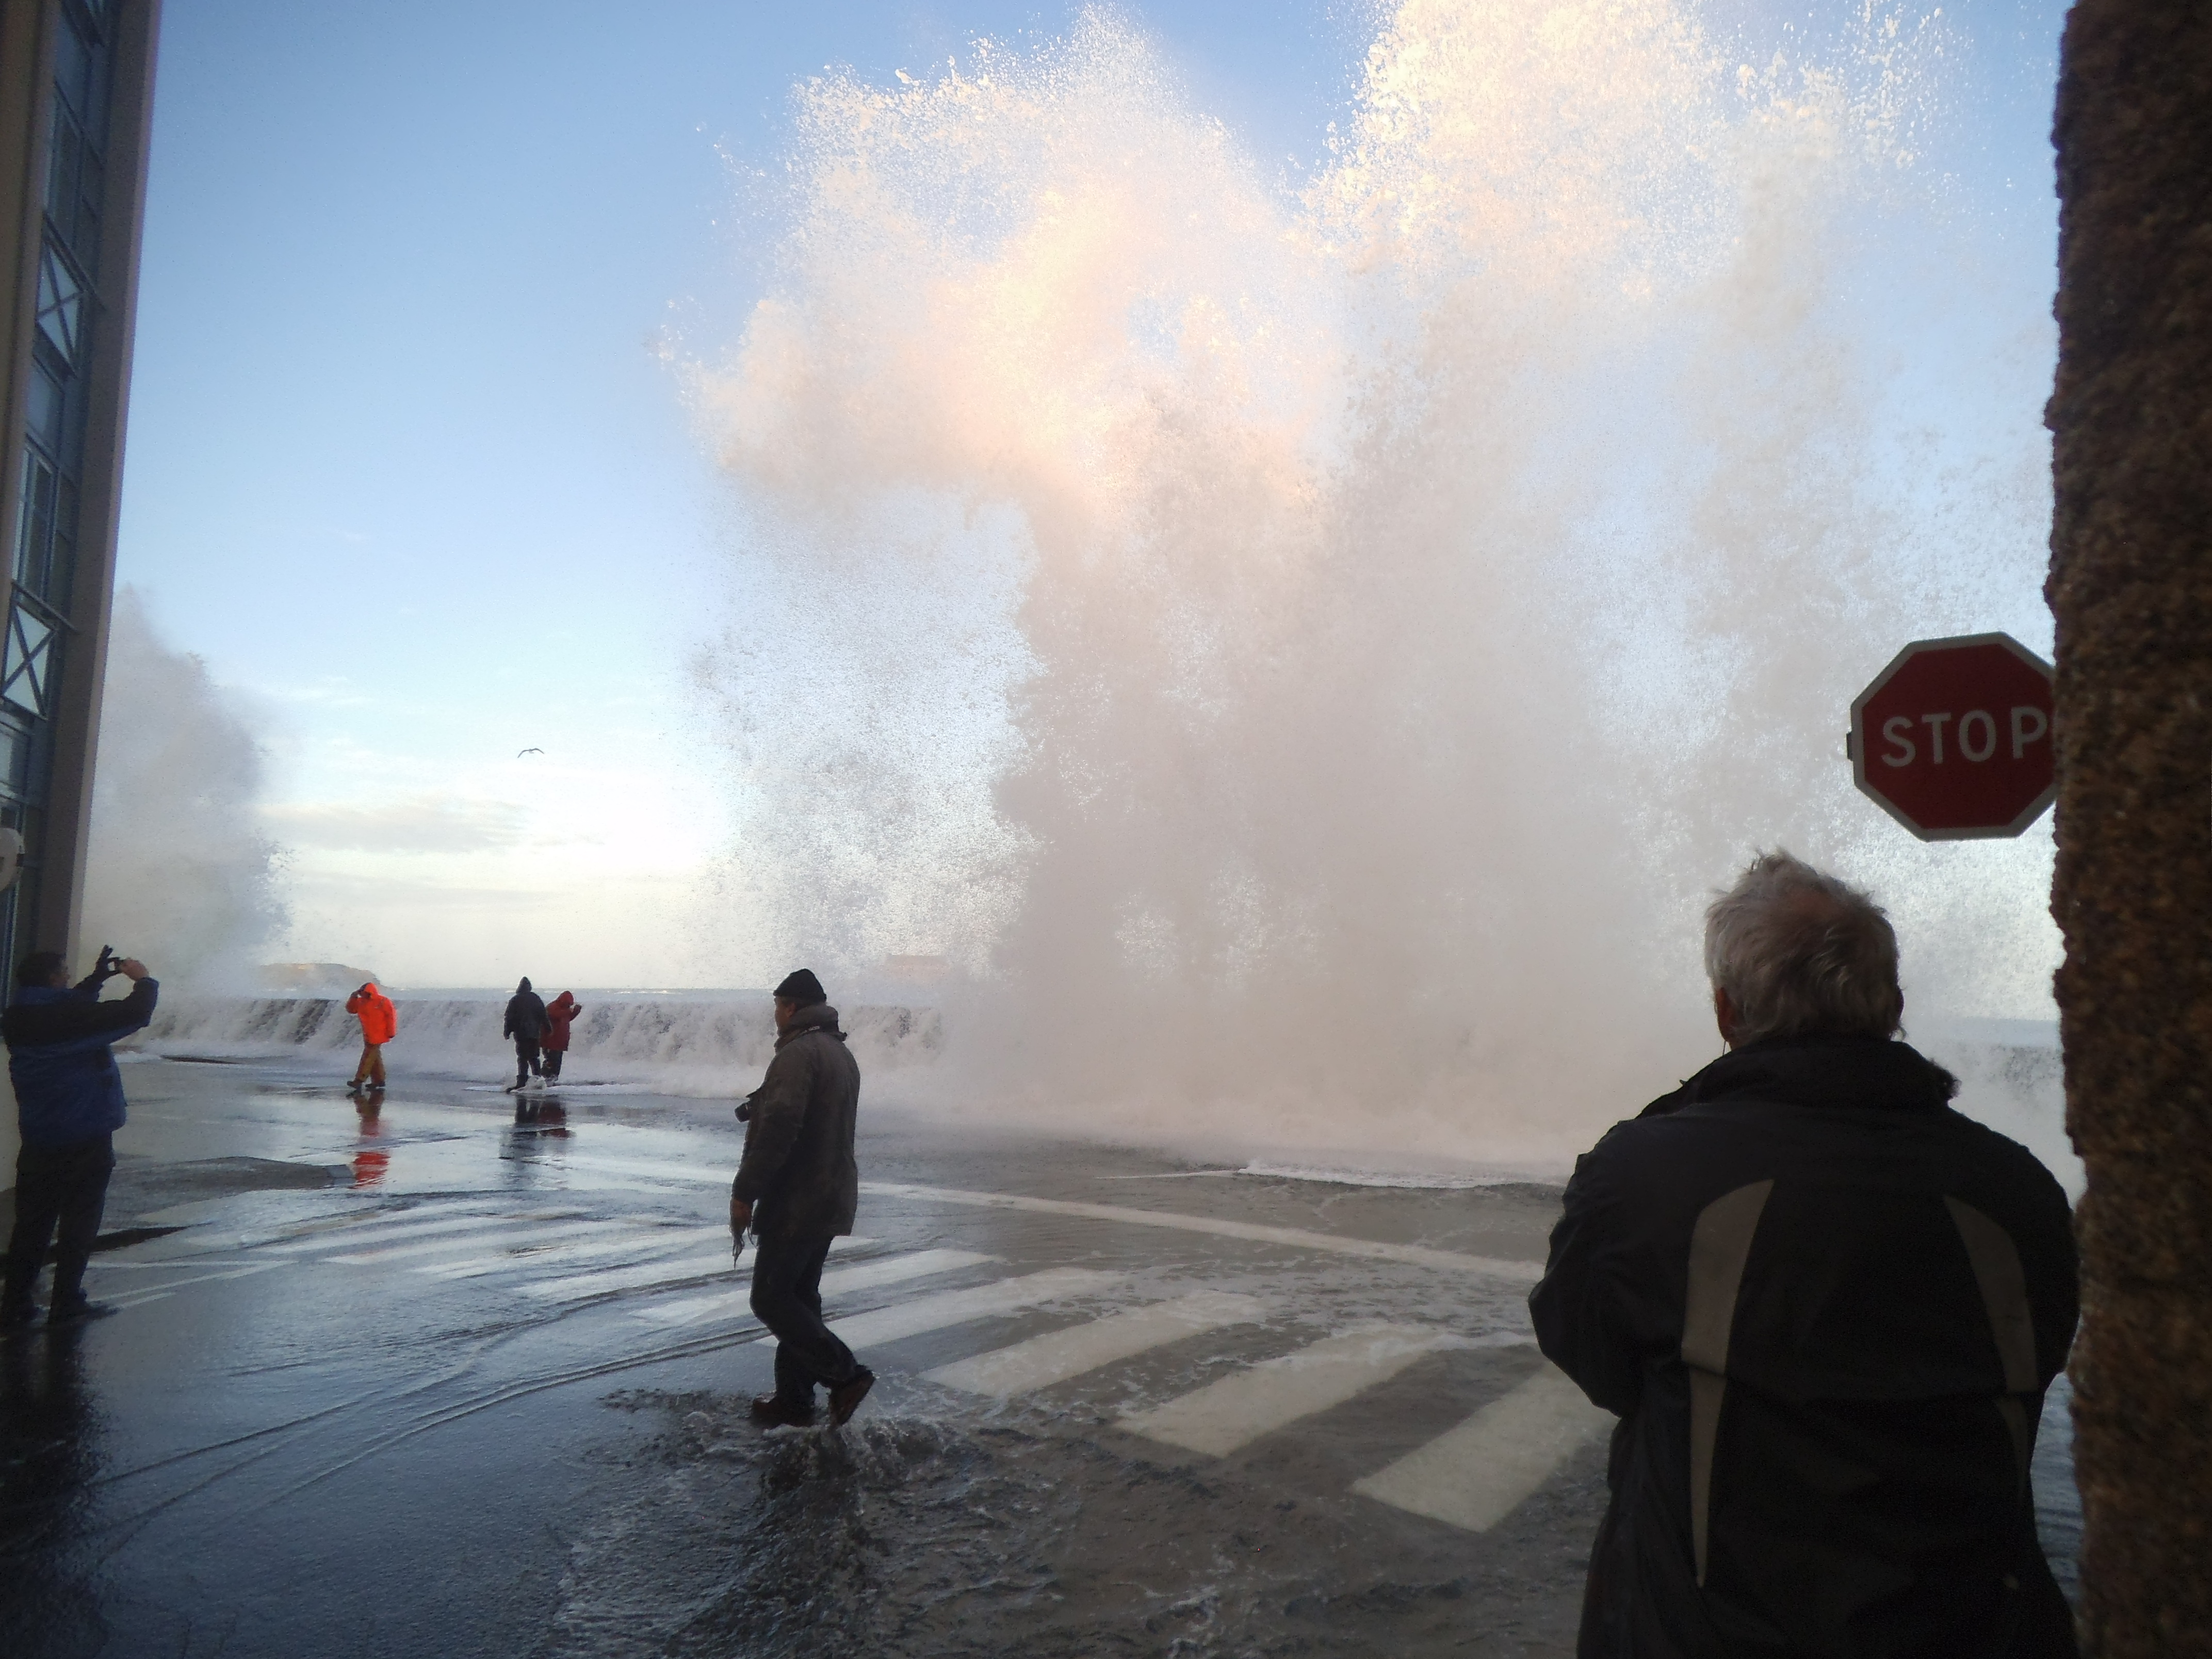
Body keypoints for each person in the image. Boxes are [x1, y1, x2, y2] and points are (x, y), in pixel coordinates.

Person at [1530, 851, 2078, 1658]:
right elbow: (2035, 1362)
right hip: (1979, 1628)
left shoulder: (1642, 1177)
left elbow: (1593, 1357)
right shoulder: (2018, 1191)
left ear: (1727, 1011)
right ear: (1892, 1002)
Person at [730, 968, 872, 1428]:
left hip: (799, 1199)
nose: (774, 1014)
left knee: (771, 1298)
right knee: (800, 1297)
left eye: (777, 1005)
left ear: (790, 1007)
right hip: (832, 1194)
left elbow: (779, 1129)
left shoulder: (798, 1054)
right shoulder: (839, 1052)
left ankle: (845, 1375)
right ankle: (794, 1400)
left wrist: (745, 1191)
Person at [2, 948, 158, 1328]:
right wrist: (143, 979)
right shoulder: (72, 1018)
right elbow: (136, 1014)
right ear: (55, 979)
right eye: (66, 974)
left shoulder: (16, 1017)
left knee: (32, 1224)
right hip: (85, 1134)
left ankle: (14, 1304)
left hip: (40, 1135)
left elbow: (66, 1012)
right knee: (78, 1221)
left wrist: (96, 979)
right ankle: (67, 1303)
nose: (69, 979)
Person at [343, 980, 396, 1093]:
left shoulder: (383, 1001)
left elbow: (390, 1017)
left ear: (370, 992)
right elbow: (351, 1010)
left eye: (364, 992)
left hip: (379, 1034)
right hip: (368, 1033)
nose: (362, 994)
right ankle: (379, 1081)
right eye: (361, 992)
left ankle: (359, 1080)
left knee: (368, 1057)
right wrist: (353, 998)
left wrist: (391, 1032)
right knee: (374, 1058)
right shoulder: (361, 1002)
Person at [501, 977, 548, 1092]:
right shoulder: (536, 998)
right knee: (534, 1058)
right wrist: (549, 1028)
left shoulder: (515, 1000)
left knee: (522, 1058)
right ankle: (538, 1081)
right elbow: (543, 1014)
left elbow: (509, 1018)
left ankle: (522, 1082)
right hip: (534, 1034)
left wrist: (507, 1031)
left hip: (521, 1033)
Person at [539, 991, 581, 1083]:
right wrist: (569, 1011)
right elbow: (556, 1015)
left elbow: (568, 1018)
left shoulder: (564, 1010)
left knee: (557, 1063)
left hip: (560, 1042)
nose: (569, 1006)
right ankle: (543, 1079)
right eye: (567, 1004)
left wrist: (576, 1012)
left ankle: (552, 1080)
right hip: (550, 1041)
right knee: (550, 1061)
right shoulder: (553, 1007)